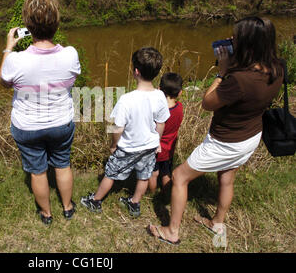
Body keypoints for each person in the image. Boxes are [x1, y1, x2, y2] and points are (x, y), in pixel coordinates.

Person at [149, 17, 284, 245]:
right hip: (250, 136)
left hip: (225, 141)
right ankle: (217, 223)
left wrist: (222, 72)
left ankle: (172, 232)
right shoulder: (277, 68)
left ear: (249, 43)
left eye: (237, 36)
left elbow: (208, 102)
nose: (232, 38)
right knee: (227, 177)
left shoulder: (239, 80)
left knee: (180, 177)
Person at [0, 0, 81, 225]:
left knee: (37, 171)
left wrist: (8, 48)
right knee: (63, 164)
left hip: (27, 126)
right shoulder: (70, 54)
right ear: (56, 23)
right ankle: (67, 207)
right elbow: (71, 74)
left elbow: (4, 82)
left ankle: (46, 214)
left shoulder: (16, 60)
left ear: (28, 26)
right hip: (61, 123)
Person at [80, 47, 170, 218]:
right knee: (143, 176)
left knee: (111, 174)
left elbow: (117, 128)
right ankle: (135, 203)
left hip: (127, 147)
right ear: (157, 72)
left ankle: (96, 200)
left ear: (135, 71)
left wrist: (114, 145)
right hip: (149, 146)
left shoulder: (126, 99)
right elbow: (161, 123)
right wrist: (157, 141)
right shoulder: (160, 96)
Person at [149, 73, 184, 194]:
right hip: (169, 149)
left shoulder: (157, 111)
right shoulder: (180, 108)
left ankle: (151, 193)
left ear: (159, 90)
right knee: (166, 173)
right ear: (180, 92)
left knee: (153, 174)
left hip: (154, 148)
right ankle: (166, 195)